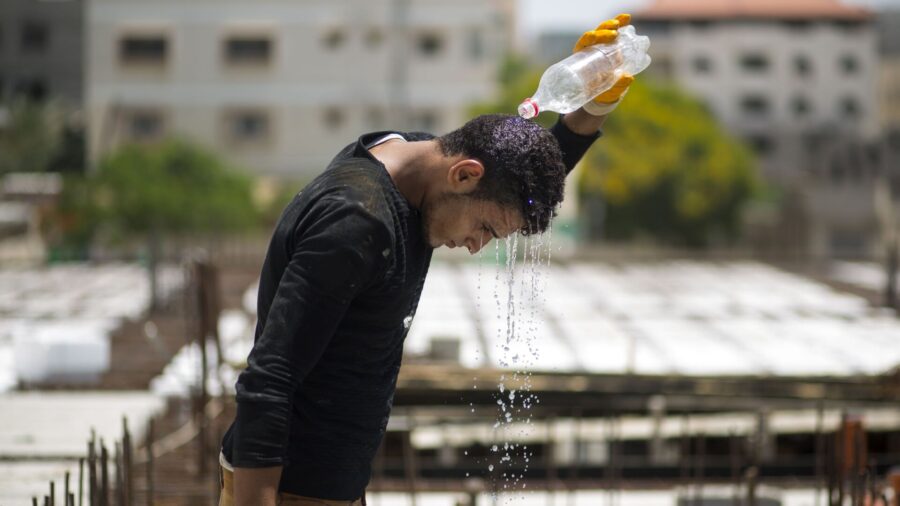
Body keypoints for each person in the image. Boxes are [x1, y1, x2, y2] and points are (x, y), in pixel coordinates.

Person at [218, 14, 636, 506]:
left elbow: (513, 178)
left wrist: (594, 106)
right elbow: (270, 377)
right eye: (485, 229)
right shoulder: (357, 223)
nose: (477, 245)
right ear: (463, 175)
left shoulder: (415, 165)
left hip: (331, 483)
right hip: (287, 486)